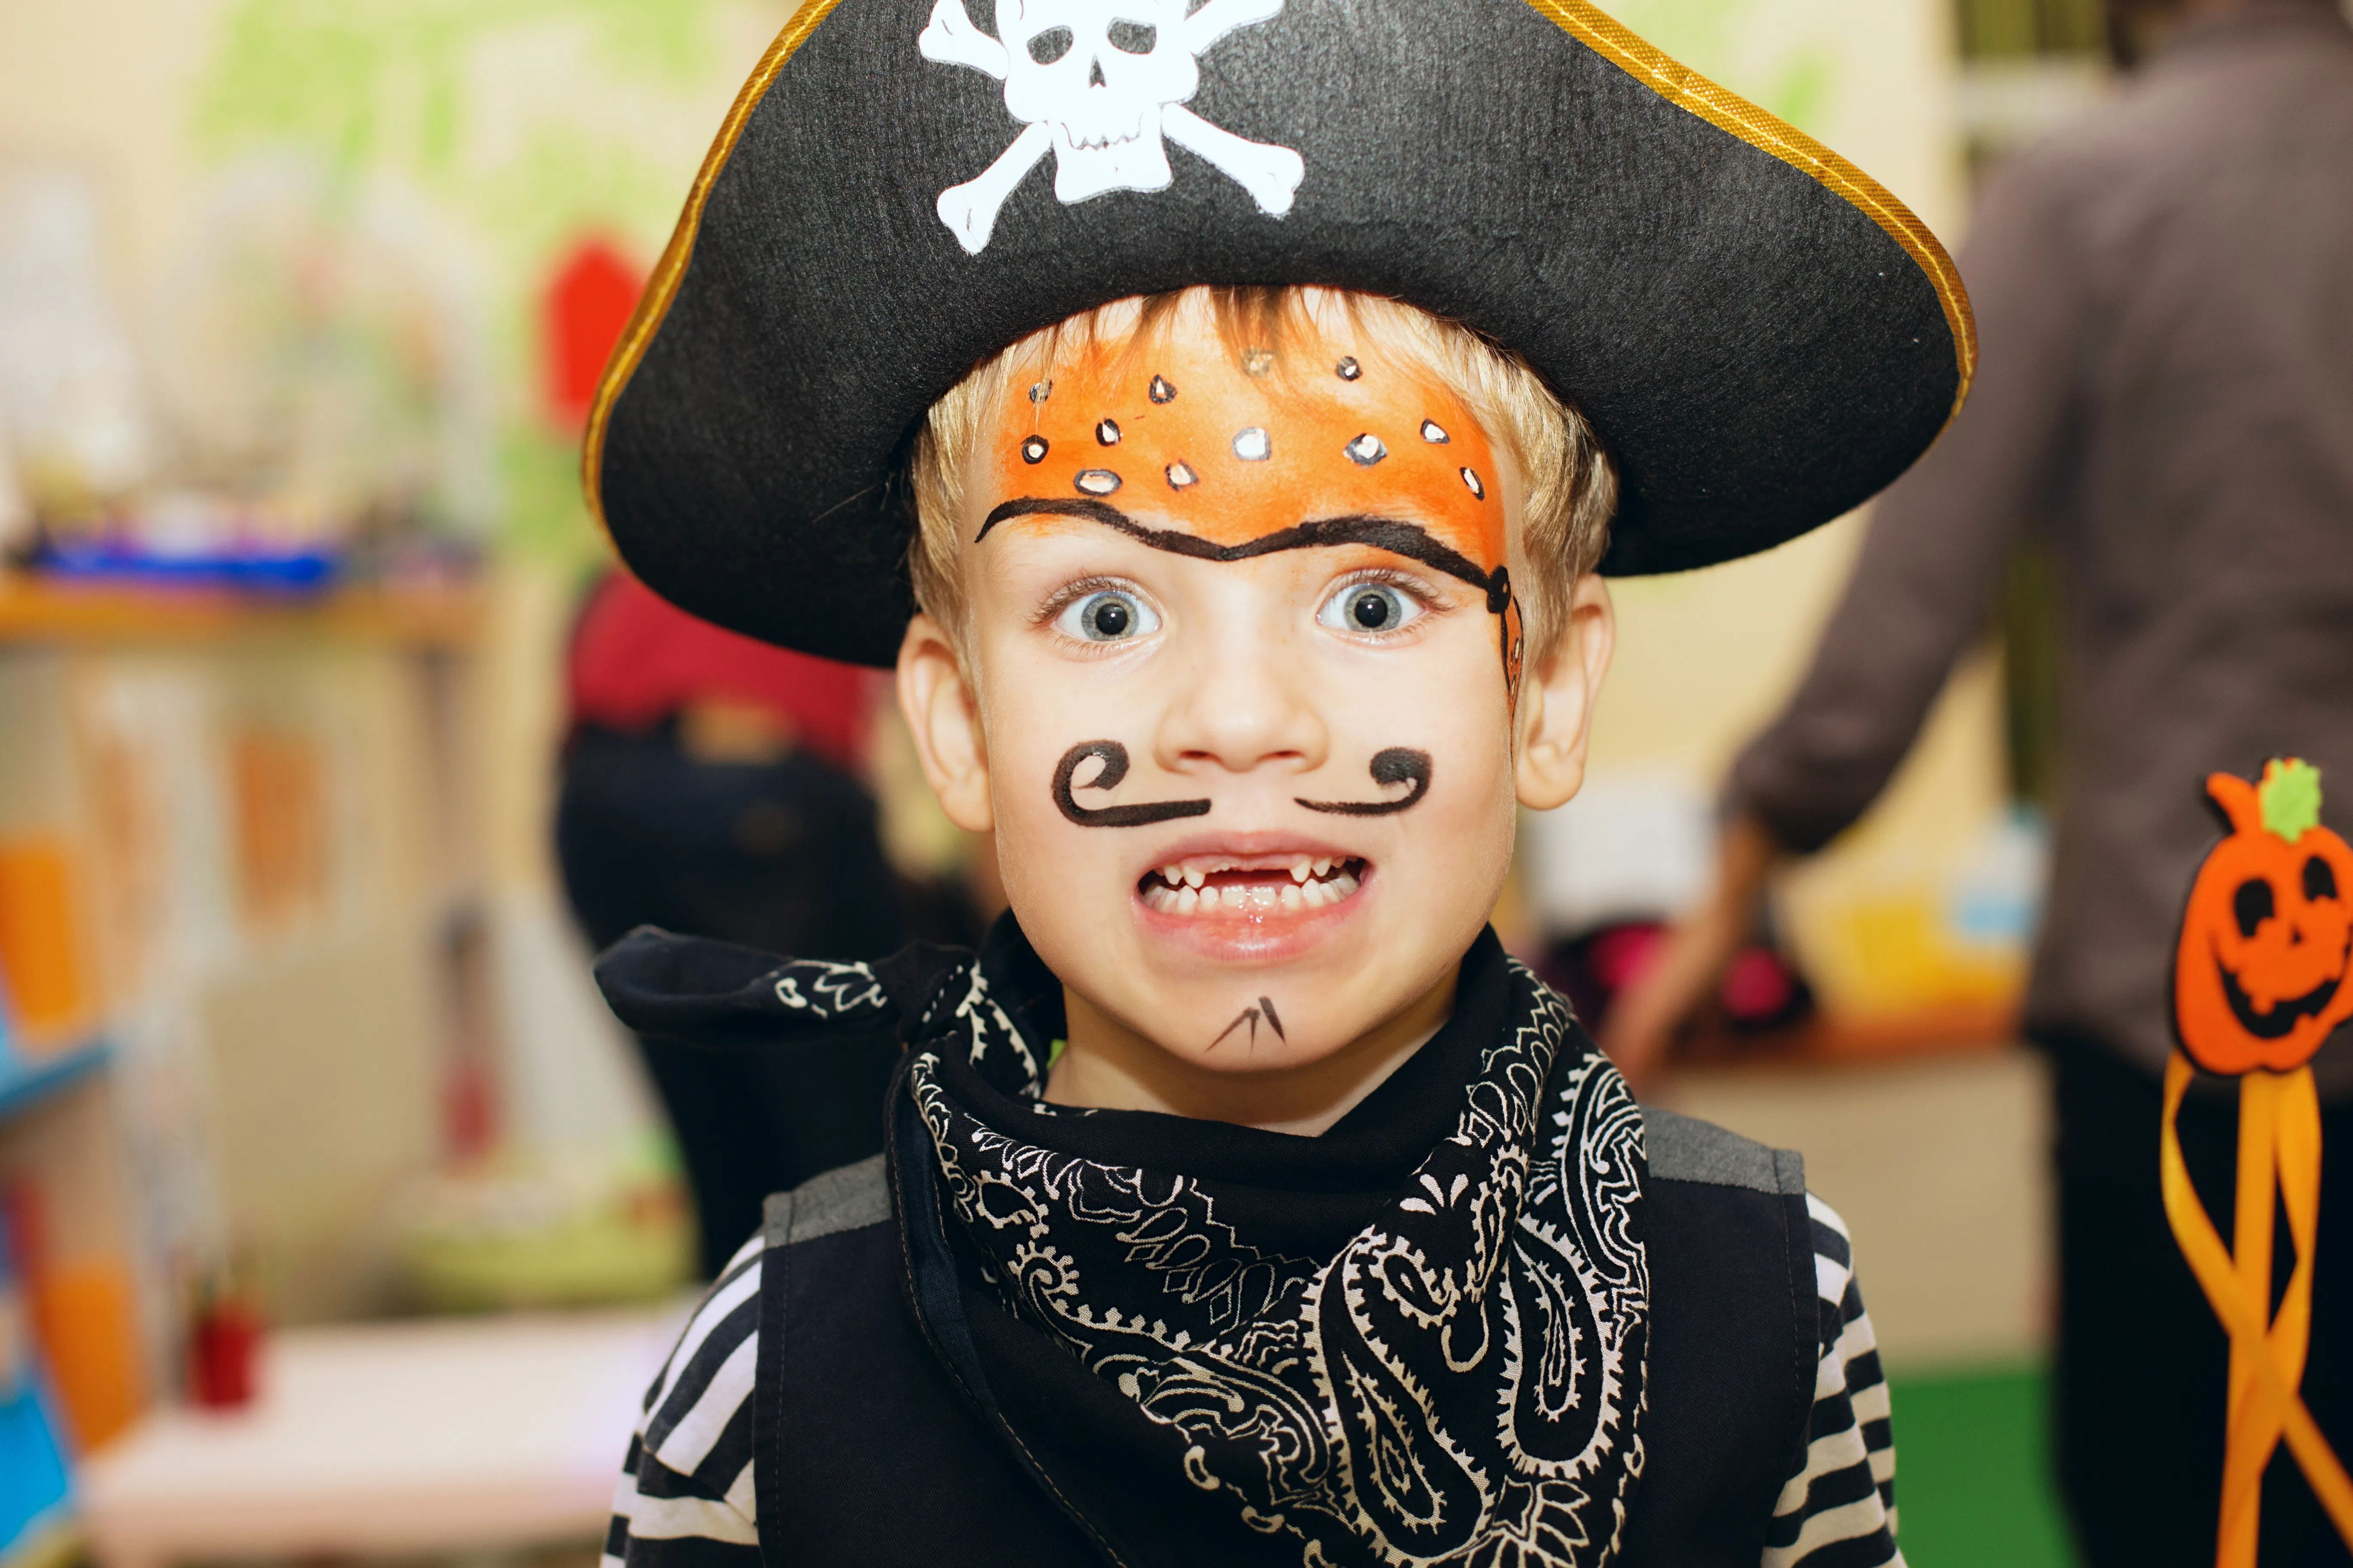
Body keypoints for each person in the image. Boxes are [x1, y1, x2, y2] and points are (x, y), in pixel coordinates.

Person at [580, 0, 1976, 1561]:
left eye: (1373, 602)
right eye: (1105, 613)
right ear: (959, 722)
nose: (1239, 721)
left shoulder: (1767, 1309)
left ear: (1548, 690)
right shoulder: (775, 1386)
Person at [1601, 2, 2353, 1563]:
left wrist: (1726, 899)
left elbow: (1905, 624)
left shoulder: (2087, 194)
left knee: (2182, 1501)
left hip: (2185, 994)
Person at [557, 569, 915, 1276]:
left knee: (725, 1157)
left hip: (608, 788)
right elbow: (730, 718)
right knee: (849, 1169)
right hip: (757, 776)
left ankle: (751, 1337)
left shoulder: (655, 547)